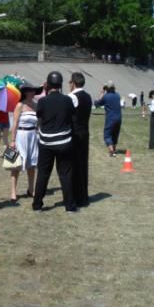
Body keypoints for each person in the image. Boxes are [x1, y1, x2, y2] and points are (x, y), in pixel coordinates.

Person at [32, 71, 77, 212]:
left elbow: (39, 116)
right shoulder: (67, 100)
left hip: (46, 142)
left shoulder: (42, 101)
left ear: (48, 84)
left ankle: (37, 205)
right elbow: (71, 116)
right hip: (64, 141)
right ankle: (70, 206)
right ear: (60, 85)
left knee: (43, 174)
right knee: (65, 174)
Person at [9, 82, 42, 204]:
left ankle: (31, 189)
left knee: (32, 164)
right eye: (30, 90)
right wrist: (12, 141)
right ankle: (13, 192)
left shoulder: (36, 105)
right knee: (16, 165)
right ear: (25, 92)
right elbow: (15, 124)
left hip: (33, 135)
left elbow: (39, 122)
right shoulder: (19, 105)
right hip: (21, 136)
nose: (33, 92)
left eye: (34, 90)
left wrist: (39, 131)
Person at [68, 72, 92, 208]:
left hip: (74, 134)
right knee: (83, 164)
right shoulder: (88, 96)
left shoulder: (72, 97)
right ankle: (83, 196)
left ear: (73, 83)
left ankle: (75, 196)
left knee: (73, 166)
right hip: (85, 132)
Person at [94, 81, 122, 158]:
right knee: (115, 134)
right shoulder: (118, 95)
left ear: (107, 88)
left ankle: (112, 151)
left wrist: (102, 93)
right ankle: (114, 150)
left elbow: (96, 104)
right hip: (119, 118)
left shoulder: (106, 96)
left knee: (107, 135)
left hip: (110, 118)